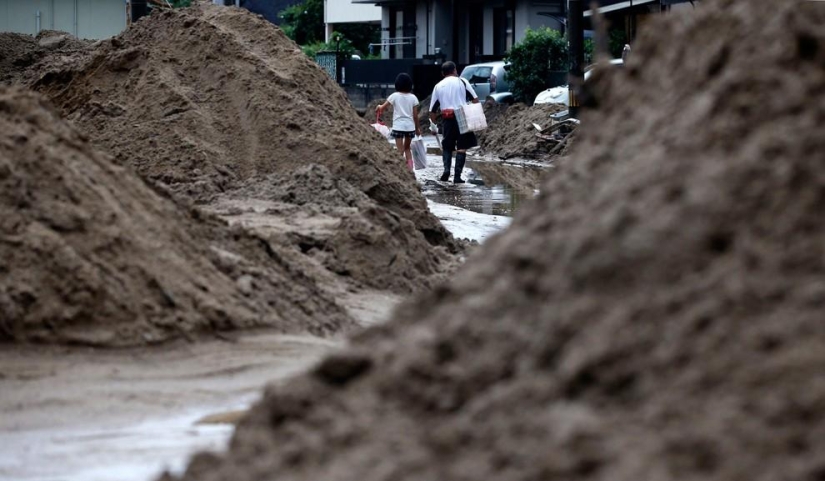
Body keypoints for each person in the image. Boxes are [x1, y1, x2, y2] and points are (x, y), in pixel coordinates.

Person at [429, 61, 479, 183]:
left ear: (442, 73)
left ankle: (446, 170)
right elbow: (475, 100)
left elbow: (432, 110)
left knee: (447, 146)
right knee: (462, 147)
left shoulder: (438, 86)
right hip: (462, 115)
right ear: (455, 70)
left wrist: (433, 126)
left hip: (447, 117)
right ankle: (457, 176)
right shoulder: (462, 81)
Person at [376, 73, 421, 170]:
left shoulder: (394, 96)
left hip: (398, 127)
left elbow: (382, 108)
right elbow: (415, 116)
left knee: (400, 151)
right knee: (407, 149)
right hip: (410, 127)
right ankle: (410, 171)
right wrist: (417, 129)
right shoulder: (413, 98)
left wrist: (379, 107)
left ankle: (400, 172)